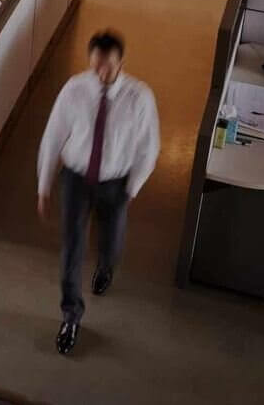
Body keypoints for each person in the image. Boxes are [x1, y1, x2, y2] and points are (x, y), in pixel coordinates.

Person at [37, 31, 159, 356]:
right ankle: (71, 316)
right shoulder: (75, 89)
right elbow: (53, 135)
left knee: (111, 243)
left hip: (115, 183)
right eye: (95, 66)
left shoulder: (140, 97)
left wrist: (132, 188)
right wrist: (44, 184)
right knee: (72, 248)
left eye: (107, 67)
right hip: (76, 178)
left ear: (121, 63)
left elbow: (150, 147)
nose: (101, 74)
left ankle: (106, 266)